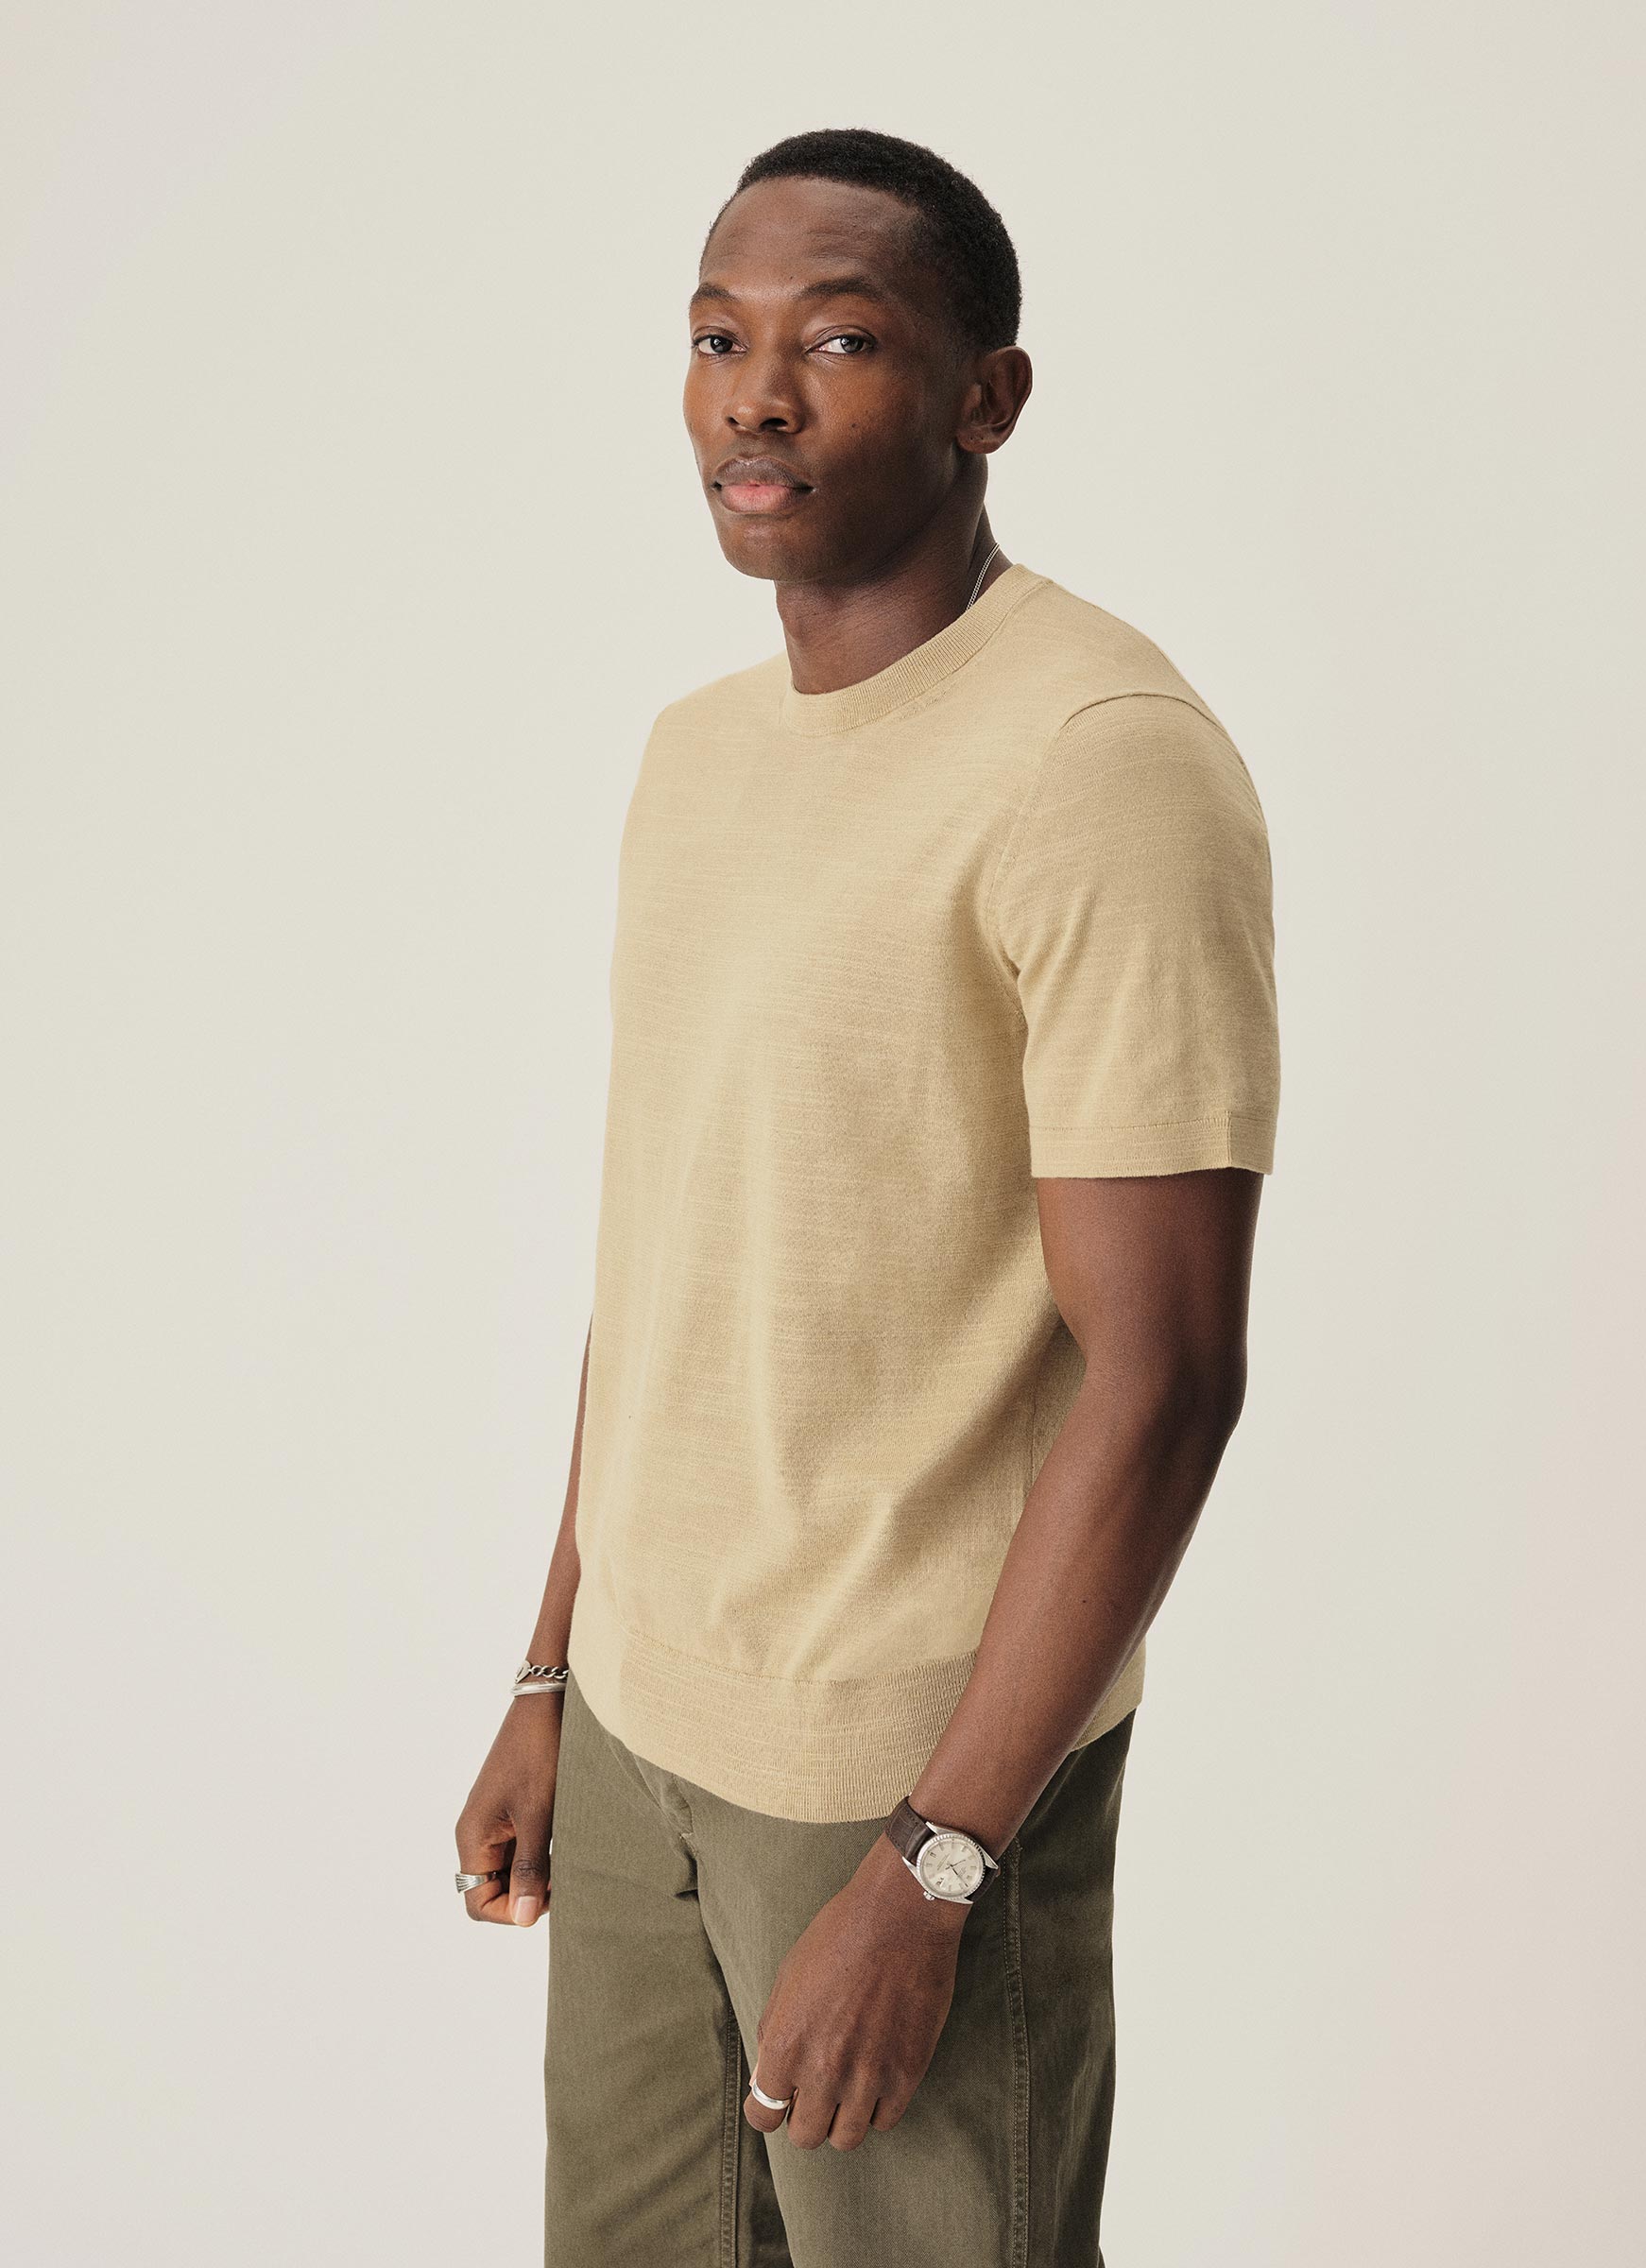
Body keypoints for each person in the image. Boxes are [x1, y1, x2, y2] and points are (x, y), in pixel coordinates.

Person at [454, 126, 1280, 2266]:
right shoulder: (699, 753)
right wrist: (553, 1676)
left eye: (838, 342)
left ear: (988, 397)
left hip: (894, 1782)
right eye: (716, 340)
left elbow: (1168, 1379)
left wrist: (935, 1865)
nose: (757, 398)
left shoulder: (1100, 757)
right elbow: (669, 1260)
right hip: (640, 1733)